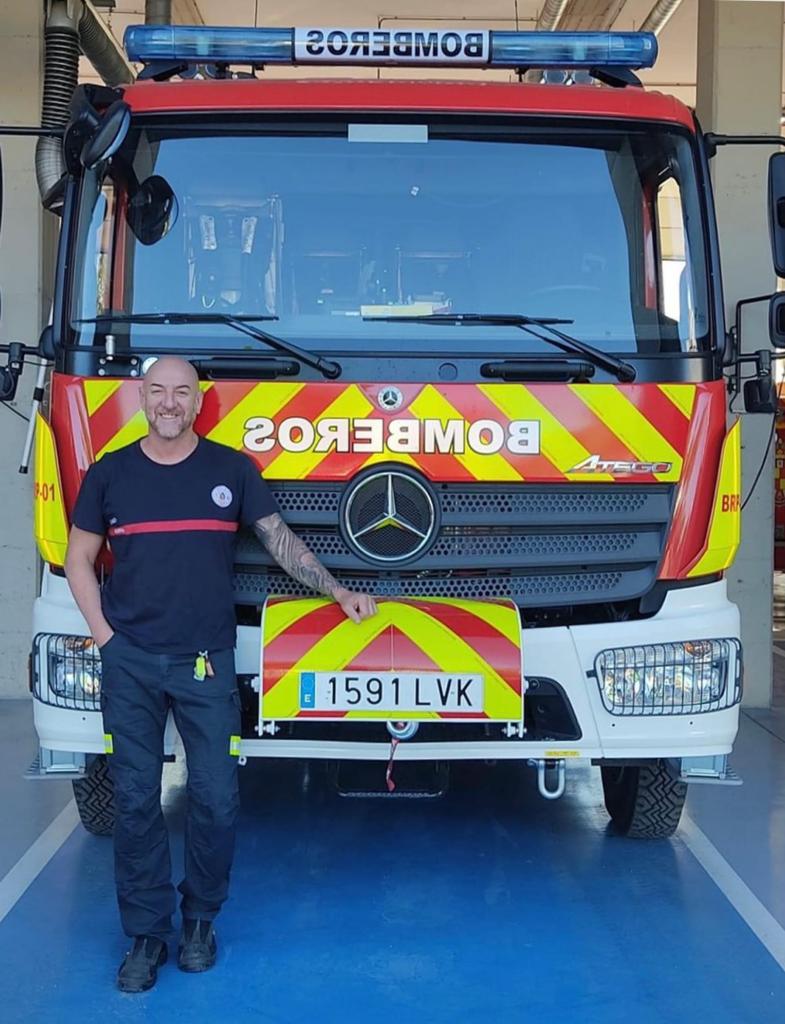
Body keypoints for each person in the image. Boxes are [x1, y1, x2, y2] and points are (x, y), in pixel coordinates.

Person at [65, 356, 376, 993]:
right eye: (158, 392)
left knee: (216, 797)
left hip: (206, 663)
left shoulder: (231, 469)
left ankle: (200, 919)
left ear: (199, 402)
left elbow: (280, 540)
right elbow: (79, 559)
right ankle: (147, 934)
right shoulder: (110, 474)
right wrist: (107, 640)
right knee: (133, 800)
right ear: (143, 399)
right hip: (132, 663)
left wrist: (336, 591)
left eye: (182, 392)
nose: (170, 403)